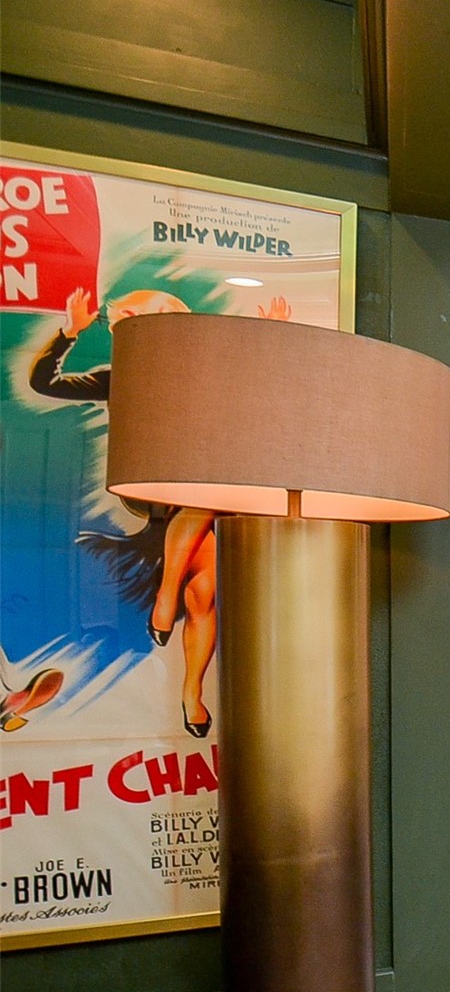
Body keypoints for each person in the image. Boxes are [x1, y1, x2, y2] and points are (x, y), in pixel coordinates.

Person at [26, 288, 288, 738]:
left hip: (214, 496)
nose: (174, 318)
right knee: (205, 495)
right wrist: (69, 332)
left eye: (177, 313)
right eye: (120, 321)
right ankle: (164, 598)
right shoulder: (120, 375)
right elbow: (44, 383)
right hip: (154, 488)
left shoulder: (216, 373)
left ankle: (191, 693)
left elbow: (266, 400)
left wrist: (276, 341)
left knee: (203, 593)